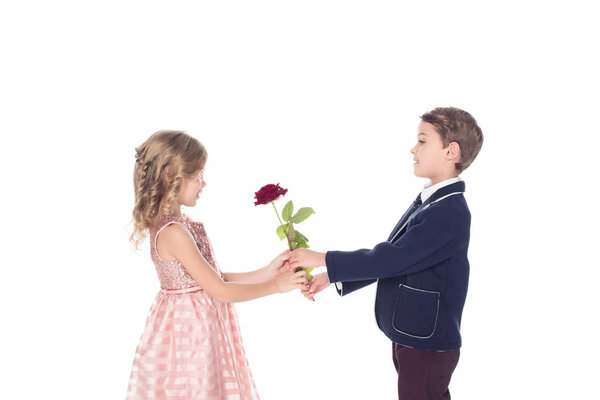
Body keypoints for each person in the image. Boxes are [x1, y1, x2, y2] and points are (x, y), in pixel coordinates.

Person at [289, 107, 483, 400]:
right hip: (414, 334)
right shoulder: (433, 200)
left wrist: (322, 258)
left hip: (427, 341)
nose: (413, 149)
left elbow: (391, 259)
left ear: (450, 151)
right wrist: (332, 276)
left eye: (422, 141)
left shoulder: (449, 211)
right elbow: (396, 257)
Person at [126, 130, 307, 400]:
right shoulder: (174, 232)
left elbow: (212, 279)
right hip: (190, 337)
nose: (204, 183)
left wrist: (267, 271)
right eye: (197, 174)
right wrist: (276, 286)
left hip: (200, 328)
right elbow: (219, 291)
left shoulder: (180, 225)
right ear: (170, 175)